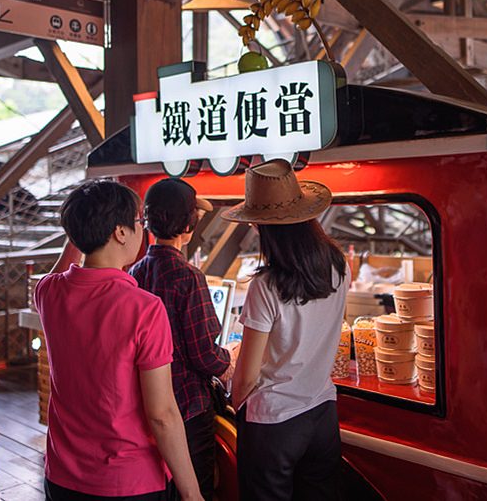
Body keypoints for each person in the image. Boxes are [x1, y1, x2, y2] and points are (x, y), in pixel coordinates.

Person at [34, 179, 202, 501]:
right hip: (128, 481)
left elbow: (56, 274)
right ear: (120, 232)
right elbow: (162, 415)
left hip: (62, 478)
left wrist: (80, 231)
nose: (142, 229)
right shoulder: (145, 309)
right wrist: (192, 494)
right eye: (139, 221)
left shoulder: (49, 293)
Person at [223, 160, 348, 501]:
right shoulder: (338, 265)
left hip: (274, 423)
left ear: (265, 228)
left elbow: (245, 378)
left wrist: (238, 403)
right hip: (322, 413)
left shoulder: (266, 286)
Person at [131, 179, 231, 501]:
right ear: (189, 225)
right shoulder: (188, 276)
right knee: (194, 487)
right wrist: (228, 360)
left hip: (146, 401)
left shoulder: (134, 273)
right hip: (188, 407)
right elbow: (203, 354)